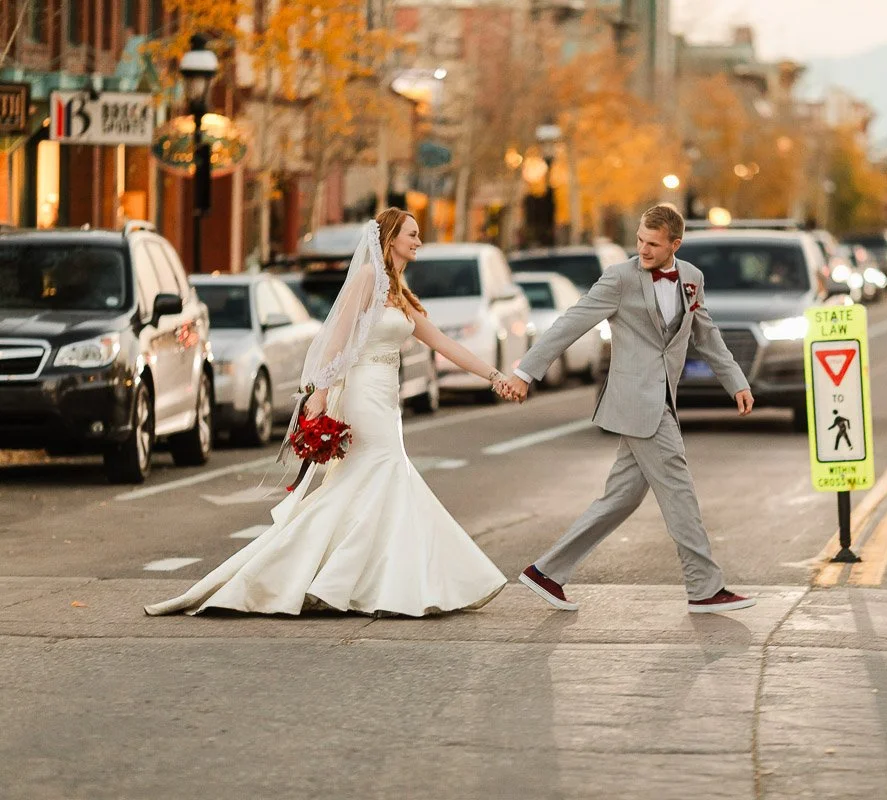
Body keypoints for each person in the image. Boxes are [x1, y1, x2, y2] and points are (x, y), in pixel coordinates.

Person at [145, 209, 516, 617]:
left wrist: (495, 376)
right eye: (412, 234)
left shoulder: (401, 294)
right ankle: (367, 582)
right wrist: (320, 394)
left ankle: (350, 580)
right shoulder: (368, 280)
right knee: (387, 472)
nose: (419, 241)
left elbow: (444, 344)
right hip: (362, 393)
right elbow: (336, 340)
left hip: (386, 398)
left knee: (364, 484)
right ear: (390, 238)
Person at [503, 204, 757, 614]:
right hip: (639, 403)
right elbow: (572, 322)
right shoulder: (620, 278)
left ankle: (546, 572)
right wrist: (527, 372)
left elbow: (706, 335)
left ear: (676, 244)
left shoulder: (691, 278)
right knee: (680, 493)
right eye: (639, 240)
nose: (643, 249)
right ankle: (705, 588)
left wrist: (736, 381)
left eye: (653, 244)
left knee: (620, 499)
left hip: (661, 400)